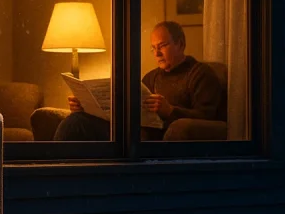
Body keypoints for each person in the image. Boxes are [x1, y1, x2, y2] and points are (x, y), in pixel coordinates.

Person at [53, 20, 226, 141]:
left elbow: (207, 117)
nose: (157, 54)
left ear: (180, 44)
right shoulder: (151, 77)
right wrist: (88, 106)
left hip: (152, 139)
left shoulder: (201, 74)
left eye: (162, 46)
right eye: (153, 49)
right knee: (77, 121)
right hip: (133, 134)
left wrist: (170, 111)